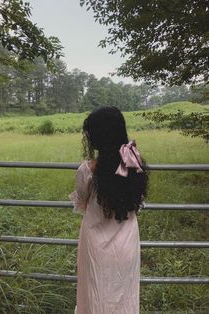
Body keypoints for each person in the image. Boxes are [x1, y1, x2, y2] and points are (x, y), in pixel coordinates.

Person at [69, 106, 148, 314]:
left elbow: (82, 202)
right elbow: (138, 201)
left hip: (95, 243)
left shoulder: (87, 170)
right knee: (125, 295)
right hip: (127, 243)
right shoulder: (135, 163)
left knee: (95, 294)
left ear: (98, 136)